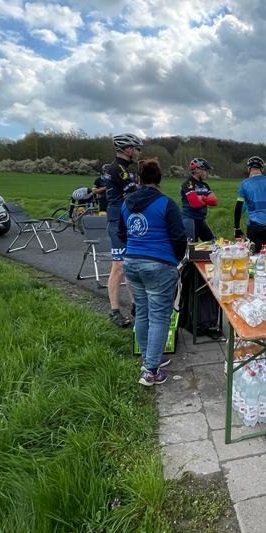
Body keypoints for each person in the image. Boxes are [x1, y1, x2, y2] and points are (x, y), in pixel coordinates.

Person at [119, 159, 187, 387]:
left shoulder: (126, 204)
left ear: (139, 179)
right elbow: (179, 237)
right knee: (159, 316)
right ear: (159, 179)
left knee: (142, 312)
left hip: (132, 262)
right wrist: (174, 260)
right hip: (159, 264)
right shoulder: (166, 203)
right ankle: (151, 371)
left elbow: (121, 234)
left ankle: (149, 359)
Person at [102, 133, 141, 328]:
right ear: (127, 149)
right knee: (118, 266)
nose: (138, 152)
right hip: (118, 220)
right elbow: (134, 195)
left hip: (126, 220)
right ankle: (114, 311)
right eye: (136, 148)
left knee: (130, 264)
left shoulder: (125, 168)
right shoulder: (118, 169)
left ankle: (135, 306)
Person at [180, 158, 217, 242]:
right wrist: (206, 199)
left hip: (201, 220)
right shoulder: (188, 183)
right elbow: (195, 203)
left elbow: (214, 201)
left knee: (214, 244)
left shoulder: (205, 185)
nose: (207, 173)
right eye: (205, 170)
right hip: (190, 220)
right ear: (196, 170)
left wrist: (202, 198)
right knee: (191, 247)